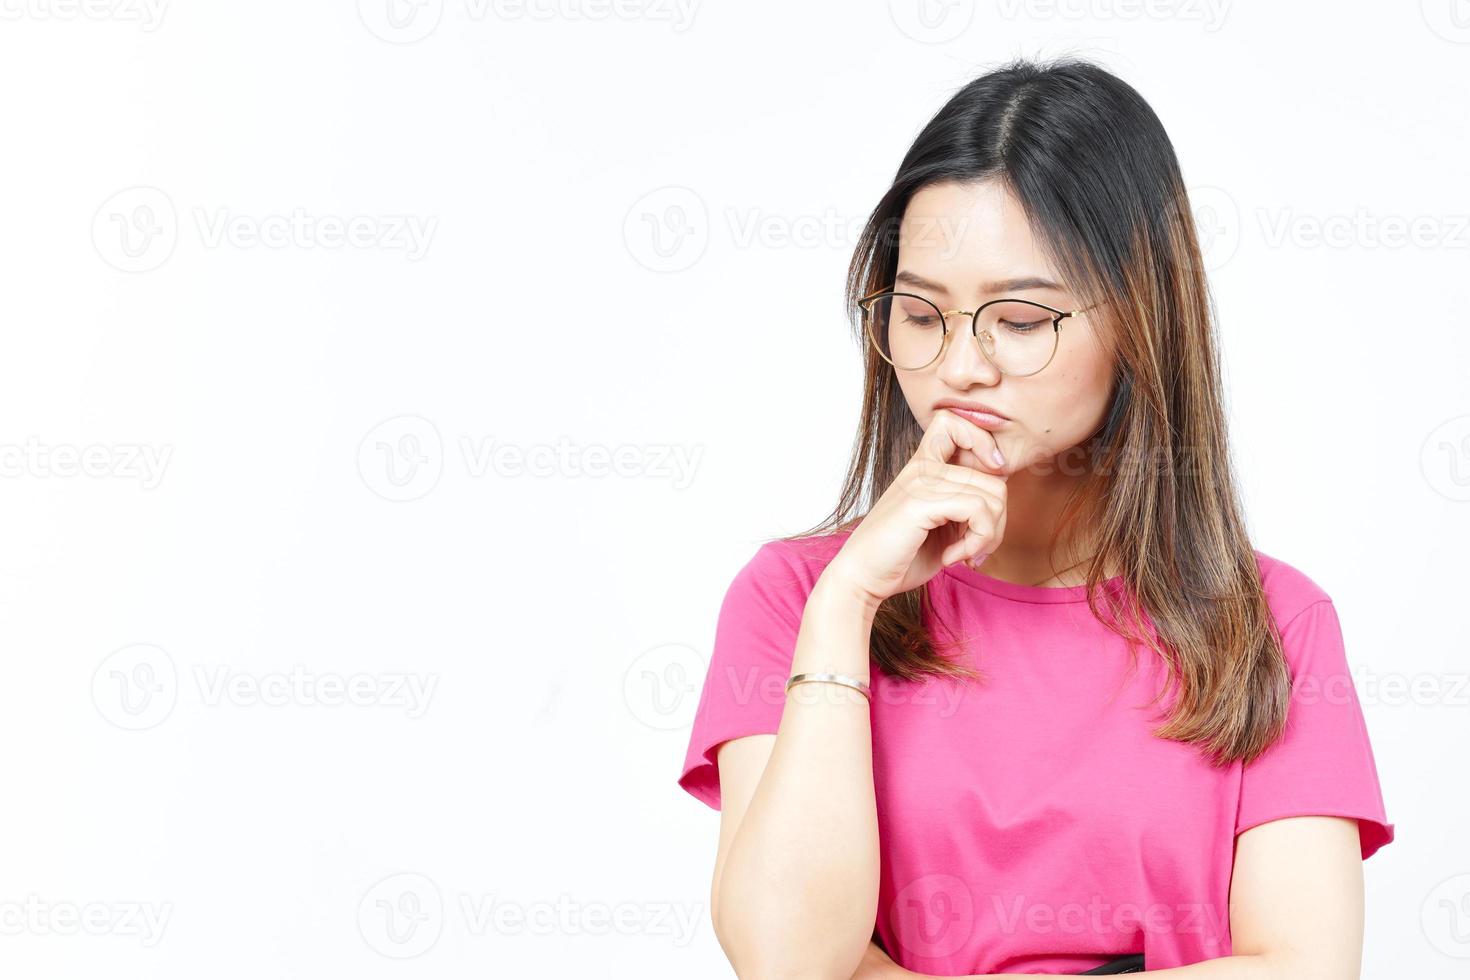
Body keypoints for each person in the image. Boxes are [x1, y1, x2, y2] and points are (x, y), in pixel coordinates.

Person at [675, 56, 1394, 978]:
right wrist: (848, 601)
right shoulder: (796, 600)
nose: (960, 366)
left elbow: (1303, 968)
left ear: (1140, 318)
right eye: (921, 313)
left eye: (1018, 319)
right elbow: (787, 962)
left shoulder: (1271, 624)